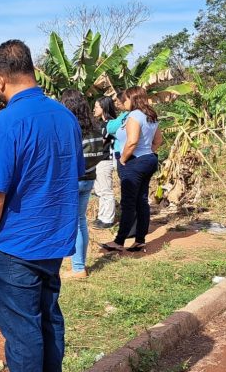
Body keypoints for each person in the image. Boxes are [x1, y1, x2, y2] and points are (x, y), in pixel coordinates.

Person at [0, 40, 84, 372]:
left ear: (0, 79)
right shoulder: (65, 118)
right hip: (52, 241)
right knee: (48, 321)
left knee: (23, 329)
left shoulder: (6, 122)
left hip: (13, 245)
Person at [101, 87, 163, 253]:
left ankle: (119, 241)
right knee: (141, 201)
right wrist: (147, 152)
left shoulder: (134, 116)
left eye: (125, 99)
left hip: (134, 161)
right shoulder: (151, 115)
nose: (123, 102)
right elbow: (158, 140)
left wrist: (123, 159)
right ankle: (140, 240)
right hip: (148, 159)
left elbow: (132, 141)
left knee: (128, 203)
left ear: (133, 99)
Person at [60, 89, 108, 279]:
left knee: (69, 222)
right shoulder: (96, 127)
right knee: (80, 221)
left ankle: (77, 268)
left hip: (72, 181)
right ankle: (78, 265)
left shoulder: (69, 129)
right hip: (89, 179)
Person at [92, 96, 118, 229]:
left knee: (106, 190)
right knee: (100, 190)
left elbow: (100, 143)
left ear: (104, 108)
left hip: (105, 160)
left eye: (97, 107)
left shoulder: (109, 124)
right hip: (99, 160)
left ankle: (108, 219)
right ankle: (102, 216)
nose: (94, 109)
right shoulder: (101, 124)